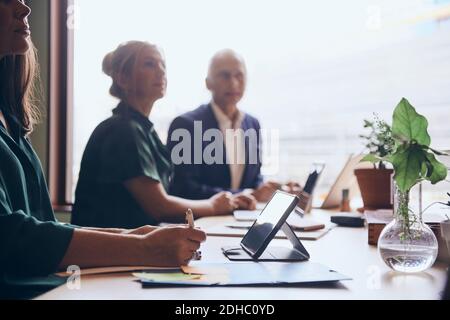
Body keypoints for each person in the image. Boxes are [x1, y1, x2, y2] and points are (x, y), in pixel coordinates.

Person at [0, 0, 205, 299]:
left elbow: (41, 225)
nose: (24, 8)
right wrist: (143, 247)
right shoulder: (122, 131)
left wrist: (132, 236)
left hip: (51, 283)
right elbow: (11, 237)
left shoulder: (12, 121)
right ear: (122, 78)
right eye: (6, 0)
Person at [72, 42, 256, 229]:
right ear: (122, 78)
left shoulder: (141, 129)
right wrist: (213, 205)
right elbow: (159, 206)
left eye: (163, 65)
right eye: (149, 64)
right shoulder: (123, 131)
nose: (161, 72)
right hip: (111, 253)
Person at [167, 49, 301, 202]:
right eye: (224, 76)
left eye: (239, 75)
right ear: (208, 83)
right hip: (202, 221)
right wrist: (245, 195)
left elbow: (254, 179)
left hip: (239, 221)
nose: (233, 83)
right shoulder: (186, 125)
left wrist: (276, 189)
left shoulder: (252, 124)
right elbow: (183, 189)